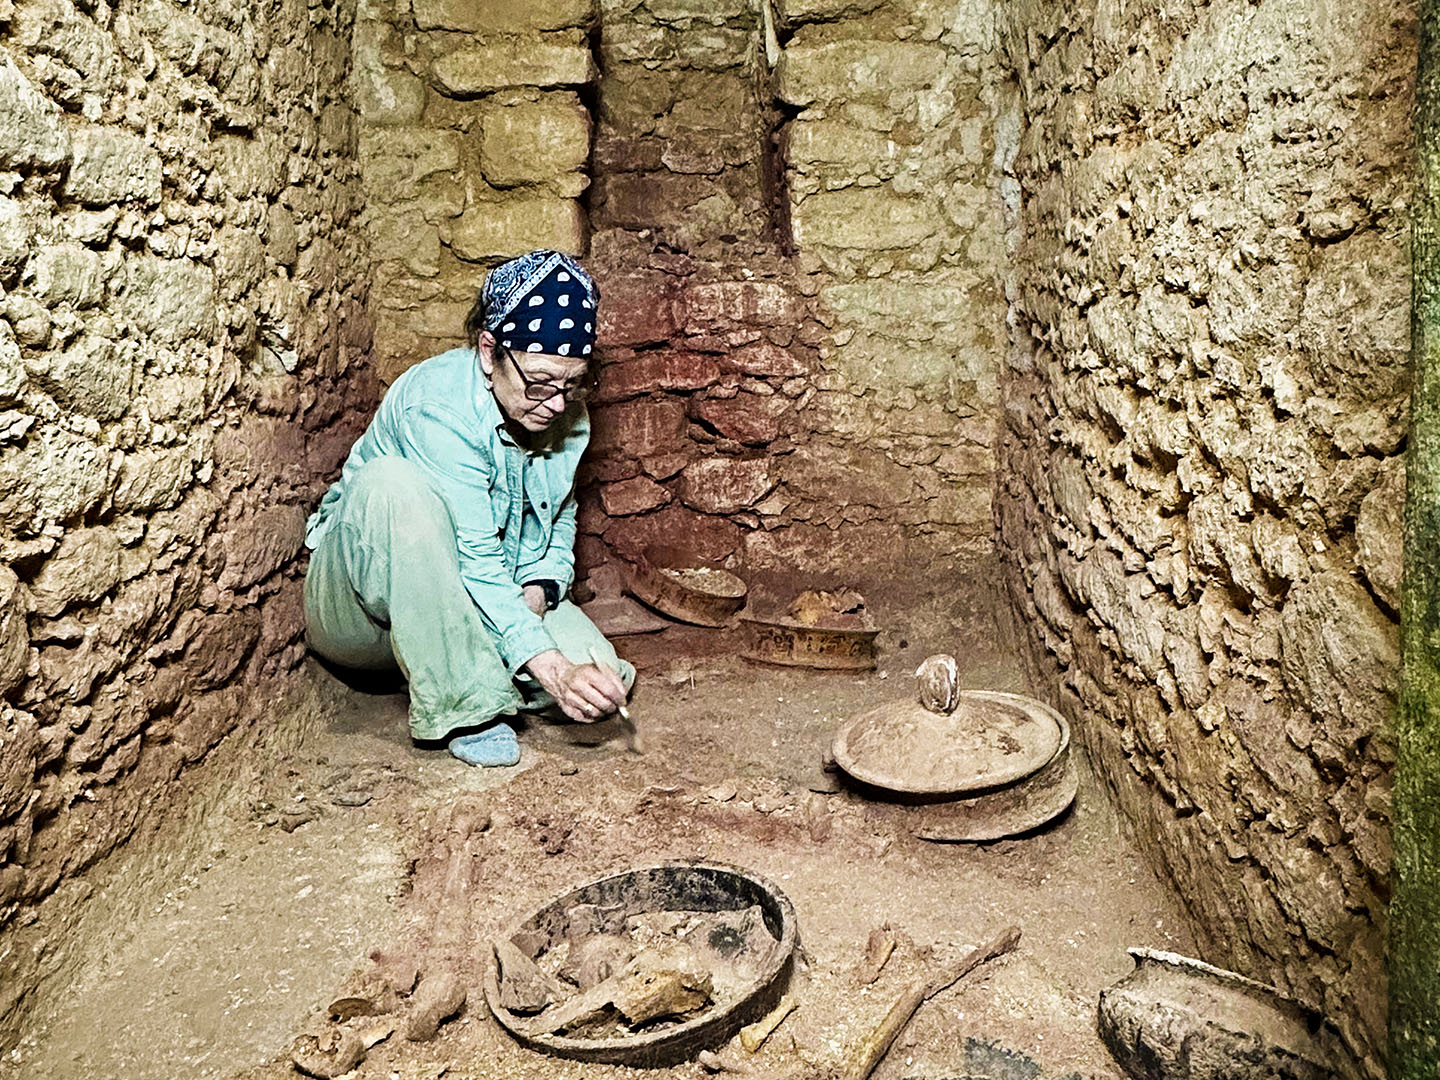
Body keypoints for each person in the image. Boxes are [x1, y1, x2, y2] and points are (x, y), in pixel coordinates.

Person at [302, 250, 633, 766]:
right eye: (541, 382)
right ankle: (467, 704)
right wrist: (547, 665)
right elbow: (475, 557)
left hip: (477, 601)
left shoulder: (568, 417)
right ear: (488, 351)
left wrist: (541, 592)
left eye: (572, 384)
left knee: (602, 678)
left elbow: (561, 516)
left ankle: (456, 663)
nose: (555, 404)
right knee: (393, 484)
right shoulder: (437, 407)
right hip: (365, 617)